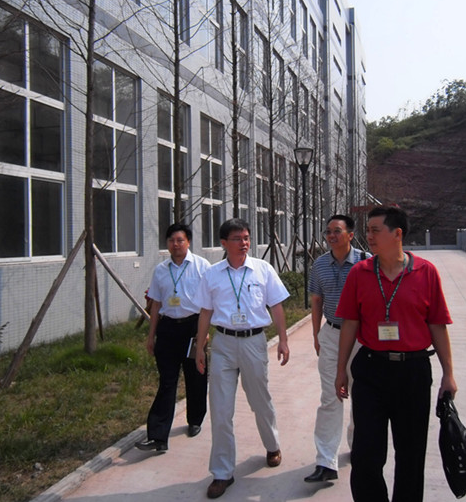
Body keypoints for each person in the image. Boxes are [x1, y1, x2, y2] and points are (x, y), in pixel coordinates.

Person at [334, 206, 457, 502]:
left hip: (412, 372)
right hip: (371, 370)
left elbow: (437, 324)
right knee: (366, 454)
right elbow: (350, 324)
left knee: (411, 454)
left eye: (376, 230)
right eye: (368, 230)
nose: (369, 236)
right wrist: (341, 370)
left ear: (397, 233)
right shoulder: (360, 273)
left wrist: (449, 374)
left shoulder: (426, 272)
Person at [193, 218, 290, 499]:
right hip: (223, 343)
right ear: (224, 243)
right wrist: (199, 348)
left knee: (260, 401)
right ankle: (222, 472)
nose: (244, 243)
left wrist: (283, 340)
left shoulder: (263, 269)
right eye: (237, 238)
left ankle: (272, 445)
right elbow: (205, 312)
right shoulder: (212, 274)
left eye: (247, 237)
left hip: (253, 342)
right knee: (221, 409)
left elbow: (277, 306)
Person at [135, 223, 211, 454]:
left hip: (193, 328)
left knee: (196, 376)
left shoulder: (202, 266)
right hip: (167, 329)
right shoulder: (160, 270)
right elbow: (156, 304)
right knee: (167, 381)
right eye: (171, 240)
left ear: (188, 242)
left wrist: (204, 331)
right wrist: (151, 335)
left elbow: (210, 301)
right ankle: (158, 437)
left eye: (180, 240)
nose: (175, 244)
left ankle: (195, 419)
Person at [304, 214, 368, 483]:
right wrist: (316, 335)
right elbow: (317, 300)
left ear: (350, 235)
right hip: (331, 334)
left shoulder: (366, 262)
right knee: (330, 396)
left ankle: (358, 447)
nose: (331, 235)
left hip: (361, 337)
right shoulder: (319, 264)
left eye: (337, 231)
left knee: (361, 396)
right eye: (328, 231)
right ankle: (326, 461)